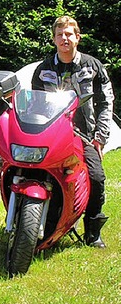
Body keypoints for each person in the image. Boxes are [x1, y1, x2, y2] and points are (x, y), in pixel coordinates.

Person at [31, 16, 114, 248]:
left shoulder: (93, 66)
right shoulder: (43, 69)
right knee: (50, 179)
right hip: (52, 136)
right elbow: (35, 104)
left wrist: (101, 138)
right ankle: (48, 226)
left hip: (85, 135)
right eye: (60, 35)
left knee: (96, 178)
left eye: (69, 34)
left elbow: (106, 102)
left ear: (77, 37)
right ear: (54, 39)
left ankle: (92, 231)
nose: (64, 39)